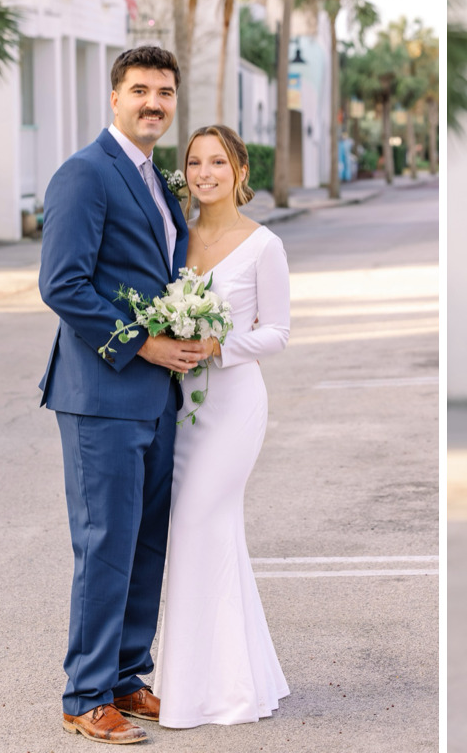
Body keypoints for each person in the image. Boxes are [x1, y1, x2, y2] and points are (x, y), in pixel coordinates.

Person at [39, 46, 213, 745]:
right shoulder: (85, 174)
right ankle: (84, 695)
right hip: (101, 394)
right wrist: (145, 344)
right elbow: (64, 285)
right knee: (105, 542)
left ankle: (127, 677)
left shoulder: (156, 182)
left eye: (164, 92)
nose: (153, 102)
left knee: (145, 543)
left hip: (157, 396)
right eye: (140, 89)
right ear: (114, 98)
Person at [153, 124, 292, 728]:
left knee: (195, 524)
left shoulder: (263, 244)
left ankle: (206, 690)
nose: (205, 172)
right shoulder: (174, 238)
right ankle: (230, 675)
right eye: (195, 162)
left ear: (239, 170)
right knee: (208, 534)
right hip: (181, 407)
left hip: (234, 404)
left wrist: (218, 344)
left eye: (217, 162)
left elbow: (277, 332)